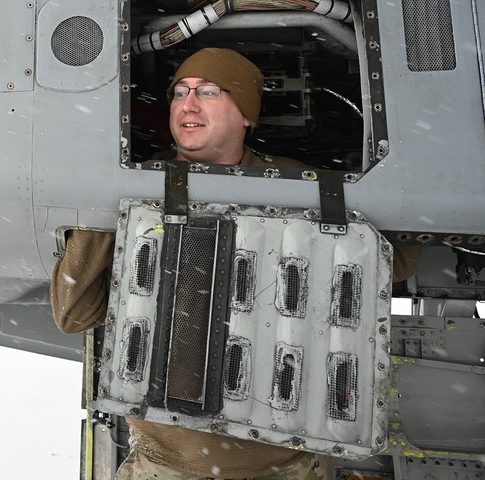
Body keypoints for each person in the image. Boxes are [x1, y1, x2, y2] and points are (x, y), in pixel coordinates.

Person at [50, 48, 418, 480]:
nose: (188, 104)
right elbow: (72, 314)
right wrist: (104, 205)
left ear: (245, 114)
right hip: (163, 467)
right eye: (179, 93)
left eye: (208, 91)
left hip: (285, 467)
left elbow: (396, 263)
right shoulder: (136, 188)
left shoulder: (291, 182)